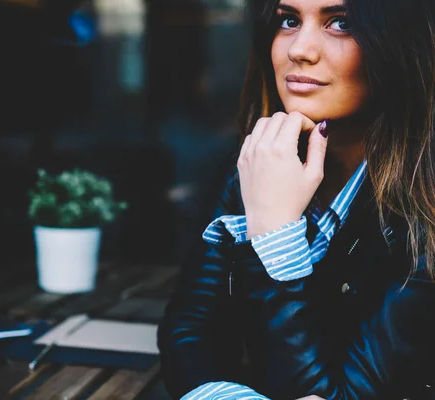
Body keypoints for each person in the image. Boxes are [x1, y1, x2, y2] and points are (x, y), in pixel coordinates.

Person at [157, 0, 435, 399]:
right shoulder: (261, 162)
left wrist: (274, 233)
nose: (299, 49)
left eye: (341, 23)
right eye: (288, 20)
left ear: (400, 44)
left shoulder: (425, 202)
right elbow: (188, 332)